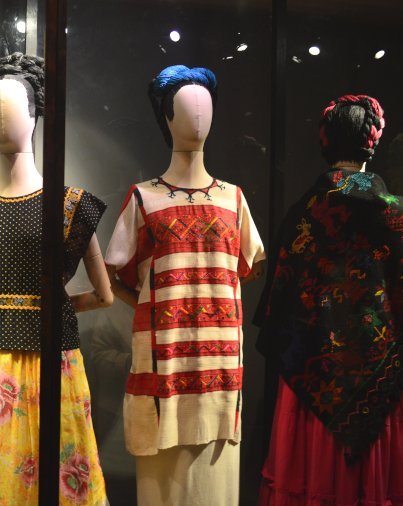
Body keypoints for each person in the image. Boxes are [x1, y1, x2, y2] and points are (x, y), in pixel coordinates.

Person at [0, 53, 111, 506]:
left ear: (35, 114)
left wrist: (8, 306)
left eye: (11, 107)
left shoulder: (71, 205)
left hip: (22, 357)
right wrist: (52, 305)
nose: (2, 118)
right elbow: (103, 296)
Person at [104, 65, 265, 506]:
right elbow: (113, 273)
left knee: (216, 484)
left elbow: (247, 266)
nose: (198, 117)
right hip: (165, 369)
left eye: (206, 107)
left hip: (220, 372)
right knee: (163, 486)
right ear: (166, 118)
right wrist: (151, 307)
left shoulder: (234, 198)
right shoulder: (143, 198)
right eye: (185, 107)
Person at [255, 94, 403, 505]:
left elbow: (279, 303)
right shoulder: (395, 214)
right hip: (378, 385)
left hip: (308, 382)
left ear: (326, 142)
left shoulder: (302, 213)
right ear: (372, 143)